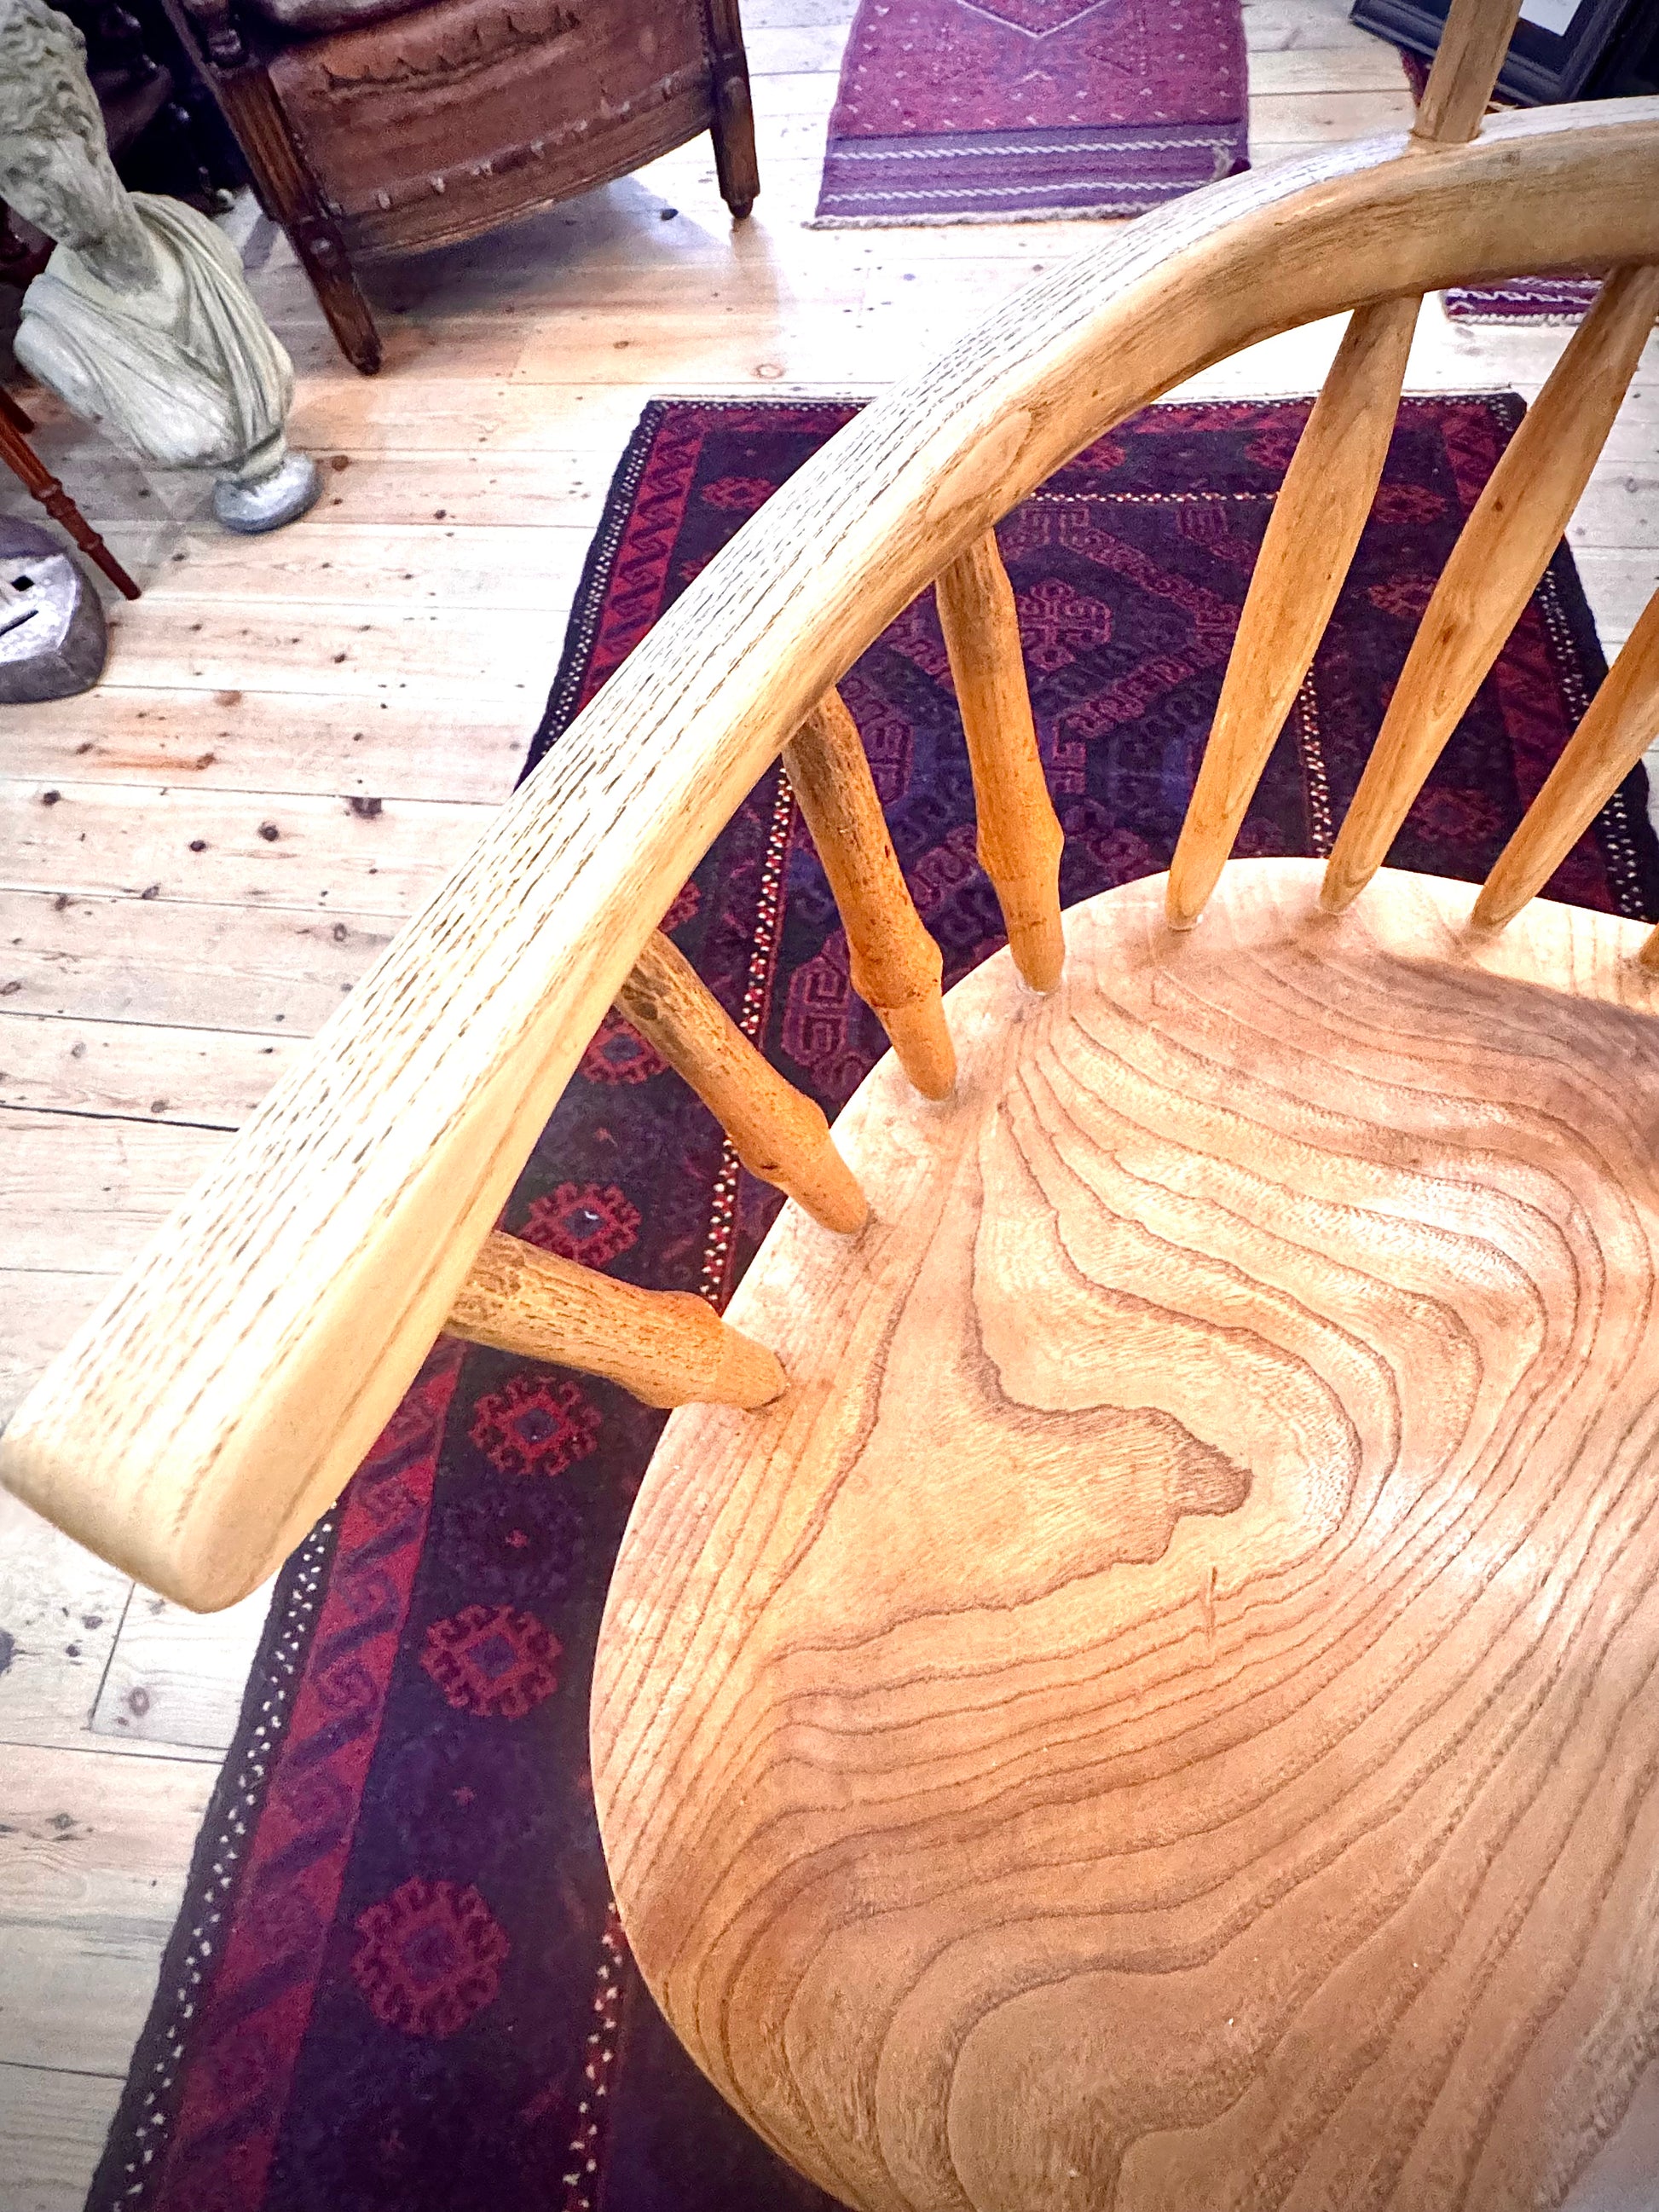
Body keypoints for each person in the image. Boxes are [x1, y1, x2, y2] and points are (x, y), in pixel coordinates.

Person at [0, 0, 318, 531]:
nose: (31, 206)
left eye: (32, 168)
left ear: (85, 128)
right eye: (7, 184)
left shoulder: (192, 234)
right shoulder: (49, 339)